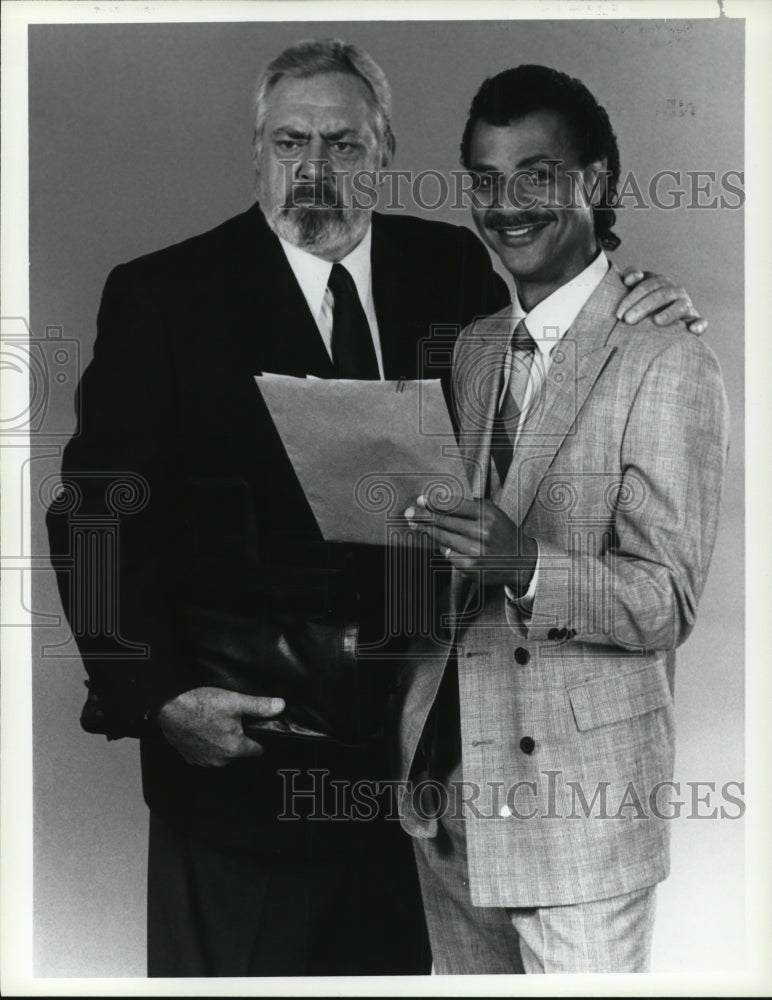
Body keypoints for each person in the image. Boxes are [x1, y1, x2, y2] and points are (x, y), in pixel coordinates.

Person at [46, 40, 706, 977]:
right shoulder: (164, 294)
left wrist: (643, 295)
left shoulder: (455, 274)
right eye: (289, 143)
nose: (313, 172)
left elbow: (564, 333)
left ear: (386, 149)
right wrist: (156, 698)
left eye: (343, 145)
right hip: (245, 762)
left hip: (415, 777)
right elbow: (93, 517)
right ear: (256, 149)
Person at [401, 64, 730, 974]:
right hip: (450, 795)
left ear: (596, 182)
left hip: (580, 814)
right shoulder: (469, 349)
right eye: (485, 180)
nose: (507, 205)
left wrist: (528, 564)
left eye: (537, 175)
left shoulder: (668, 357)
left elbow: (665, 602)